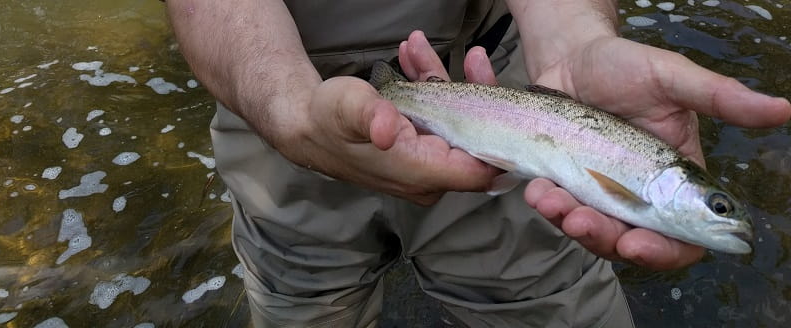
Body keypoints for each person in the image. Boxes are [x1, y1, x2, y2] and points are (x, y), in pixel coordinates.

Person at [166, 0, 791, 327]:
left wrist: (580, 39)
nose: (727, 219)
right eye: (718, 207)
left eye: (720, 207)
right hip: (267, 97)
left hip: (506, 72)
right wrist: (289, 112)